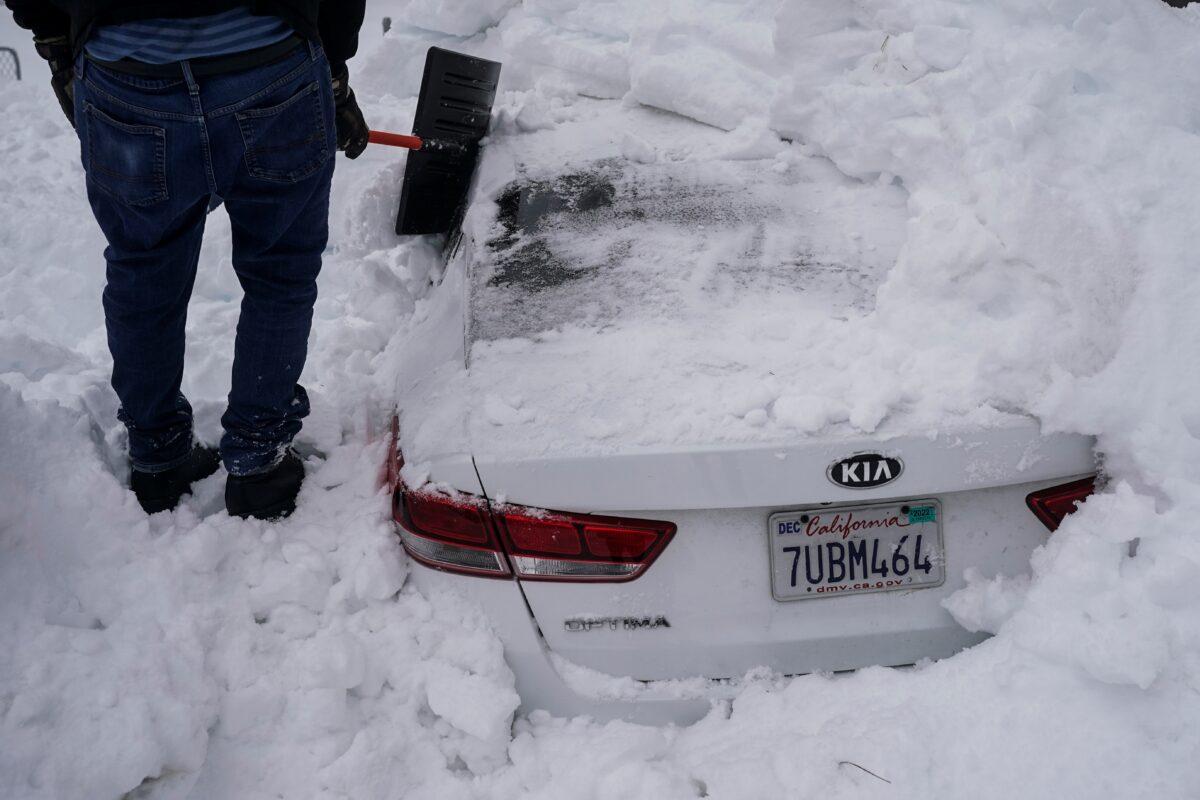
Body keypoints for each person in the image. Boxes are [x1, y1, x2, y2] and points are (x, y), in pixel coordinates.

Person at [4, 1, 370, 519]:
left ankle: (158, 459)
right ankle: (260, 464)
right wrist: (333, 69)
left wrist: (57, 47)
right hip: (268, 62)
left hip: (126, 77)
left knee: (143, 266)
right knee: (280, 269)